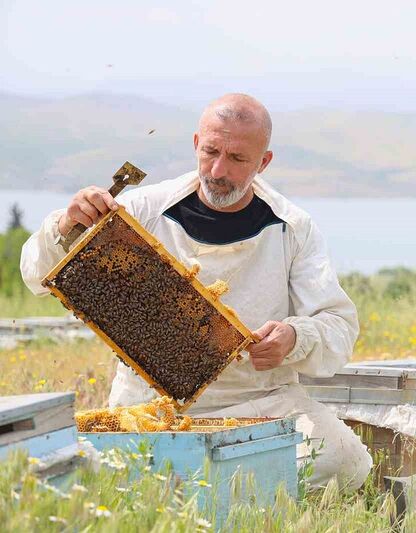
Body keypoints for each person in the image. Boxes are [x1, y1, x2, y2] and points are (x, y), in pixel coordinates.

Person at [19, 93, 372, 489]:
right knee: (77, 472)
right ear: (195, 144)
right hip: (150, 406)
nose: (219, 170)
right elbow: (36, 272)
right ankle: (226, 490)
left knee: (344, 461)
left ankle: (187, 491)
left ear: (264, 162)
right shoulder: (142, 209)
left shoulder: (293, 226)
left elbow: (339, 325)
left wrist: (296, 337)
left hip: (261, 402)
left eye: (238, 159)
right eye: (211, 152)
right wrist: (66, 224)